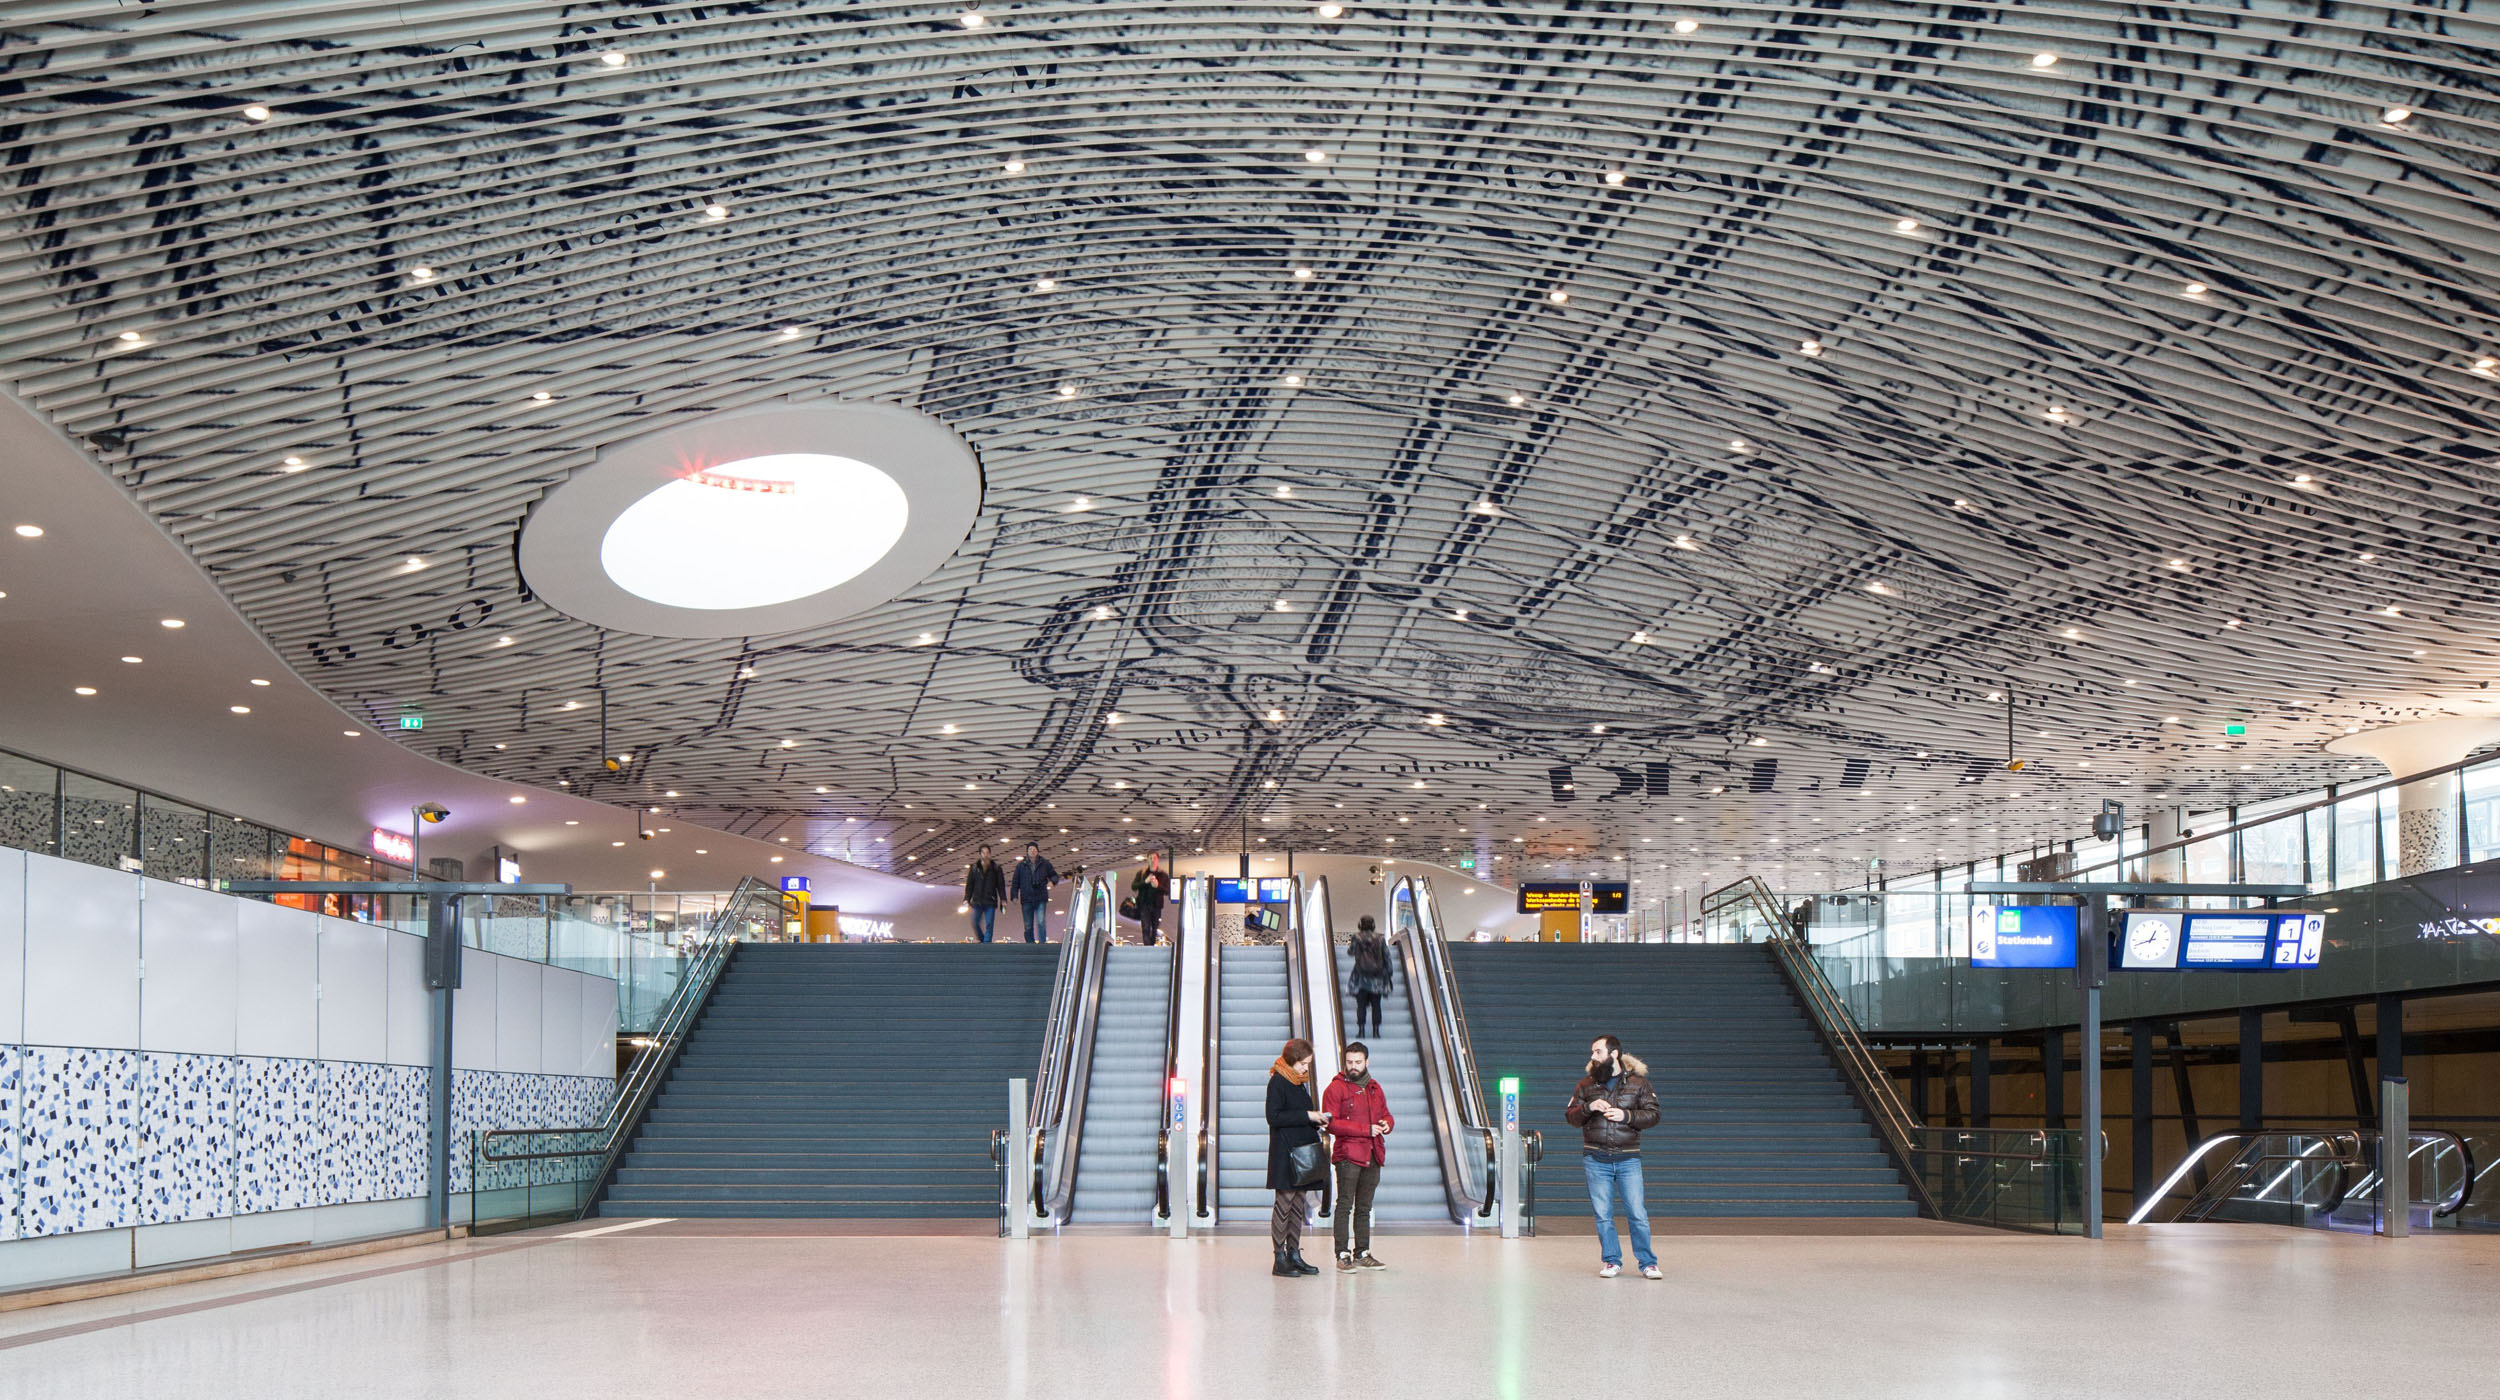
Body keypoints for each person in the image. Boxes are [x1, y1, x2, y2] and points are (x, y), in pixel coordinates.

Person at [1564, 1034, 1662, 1279]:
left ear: (1614, 1053)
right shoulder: (1585, 1085)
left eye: (1597, 1051)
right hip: (1595, 1158)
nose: (1593, 1056)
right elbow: (1571, 1117)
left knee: (1637, 1213)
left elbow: (1654, 1115)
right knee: (1603, 1215)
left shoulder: (1639, 1084)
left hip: (1628, 1159)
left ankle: (1648, 1263)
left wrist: (1626, 1116)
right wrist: (1588, 1107)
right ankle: (1611, 1261)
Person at [1322, 1041, 1392, 1270]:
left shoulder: (1375, 1088)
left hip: (1372, 1154)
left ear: (1366, 1062)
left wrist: (1387, 1124)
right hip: (1348, 1155)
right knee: (1344, 1204)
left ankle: (1362, 1251)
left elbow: (1386, 1115)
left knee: (1364, 1207)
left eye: (1358, 1062)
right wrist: (1365, 1129)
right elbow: (1331, 1124)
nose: (1353, 1066)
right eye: (1350, 1062)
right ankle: (1342, 1254)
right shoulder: (1335, 1089)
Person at [1265, 1037, 1329, 1277]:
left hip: (1302, 1152)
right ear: (1291, 1060)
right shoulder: (1278, 1082)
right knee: (1284, 1203)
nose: (1305, 1068)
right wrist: (1307, 1116)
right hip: (1285, 1153)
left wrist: (1316, 1119)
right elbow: (1274, 1117)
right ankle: (1279, 1257)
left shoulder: (1299, 1082)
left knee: (1298, 1203)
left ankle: (1294, 1254)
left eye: (1308, 1063)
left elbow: (1299, 1115)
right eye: (1303, 1063)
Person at [1346, 915, 1391, 1037]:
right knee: (1376, 1005)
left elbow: (1350, 952)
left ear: (1360, 925)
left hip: (1361, 978)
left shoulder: (1357, 937)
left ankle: (1361, 1031)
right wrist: (1389, 973)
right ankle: (1376, 1031)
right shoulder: (1380, 939)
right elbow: (1387, 956)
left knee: (1361, 1005)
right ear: (1373, 925)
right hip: (1377, 979)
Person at [1010, 842, 1059, 942]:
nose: (1032, 851)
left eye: (1034, 849)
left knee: (1041, 922)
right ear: (1027, 852)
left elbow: (1054, 875)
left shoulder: (1045, 864)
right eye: (1030, 849)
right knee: (1028, 925)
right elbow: (1015, 882)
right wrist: (1014, 895)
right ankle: (1030, 944)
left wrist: (1052, 882)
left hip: (1041, 896)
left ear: (1037, 851)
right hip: (1027, 898)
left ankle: (1042, 943)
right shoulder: (1021, 866)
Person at [963, 846, 1005, 944]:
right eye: (983, 853)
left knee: (989, 924)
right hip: (977, 900)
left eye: (987, 853)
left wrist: (1003, 899)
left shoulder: (996, 868)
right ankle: (982, 940)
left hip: (990, 900)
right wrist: (966, 899)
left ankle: (987, 943)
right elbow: (970, 885)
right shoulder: (974, 868)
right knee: (975, 922)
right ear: (980, 854)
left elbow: (1000, 885)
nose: (986, 855)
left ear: (990, 854)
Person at [1130, 854, 1170, 947]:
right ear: (1147, 860)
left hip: (1157, 905)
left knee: (1155, 927)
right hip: (1144, 905)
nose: (1152, 860)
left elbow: (1167, 891)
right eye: (1150, 858)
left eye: (1154, 858)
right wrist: (1145, 882)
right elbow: (1134, 886)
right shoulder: (1142, 873)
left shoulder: (1163, 875)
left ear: (1158, 860)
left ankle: (1151, 945)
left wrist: (1157, 886)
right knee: (1146, 926)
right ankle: (1147, 947)